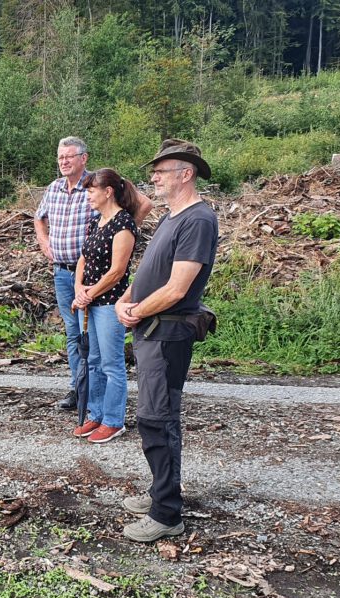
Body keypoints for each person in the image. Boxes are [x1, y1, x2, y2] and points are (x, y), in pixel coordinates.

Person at [116, 139, 219, 543]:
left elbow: (177, 288)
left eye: (162, 170)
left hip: (168, 332)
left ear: (186, 173)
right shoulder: (173, 217)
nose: (154, 176)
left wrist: (136, 311)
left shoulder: (198, 220)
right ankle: (162, 492)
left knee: (158, 419)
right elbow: (151, 270)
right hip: (152, 330)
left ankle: (166, 513)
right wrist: (128, 299)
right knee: (153, 416)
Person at [34, 138, 152, 411]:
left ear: (83, 158)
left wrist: (121, 235)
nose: (63, 162)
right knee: (74, 334)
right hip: (64, 274)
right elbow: (38, 217)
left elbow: (144, 204)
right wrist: (44, 240)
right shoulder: (53, 189)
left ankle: (100, 402)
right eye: (60, 157)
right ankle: (79, 389)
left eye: (69, 157)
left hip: (96, 278)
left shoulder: (98, 186)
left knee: (95, 341)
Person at [71, 169, 142, 444]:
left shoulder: (123, 224)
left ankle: (114, 420)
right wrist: (79, 288)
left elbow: (117, 271)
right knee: (92, 361)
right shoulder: (95, 222)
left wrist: (89, 294)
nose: (88, 195)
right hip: (88, 302)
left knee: (112, 364)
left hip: (110, 304)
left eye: (92, 190)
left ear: (108, 191)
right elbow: (83, 258)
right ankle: (96, 413)